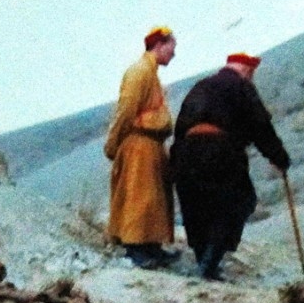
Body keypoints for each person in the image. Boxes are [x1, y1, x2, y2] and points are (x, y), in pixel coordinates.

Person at [171, 52, 291, 280]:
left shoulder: (200, 87)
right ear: (247, 71)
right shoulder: (241, 87)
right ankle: (210, 262)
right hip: (219, 152)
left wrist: (175, 166)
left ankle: (204, 261)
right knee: (240, 201)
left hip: (186, 154)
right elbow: (261, 127)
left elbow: (180, 128)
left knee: (197, 208)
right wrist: (279, 157)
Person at [104, 26, 181, 270]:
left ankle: (151, 246)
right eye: (172, 48)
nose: (174, 54)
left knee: (154, 197)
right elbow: (126, 110)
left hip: (152, 144)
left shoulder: (151, 73)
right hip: (139, 144)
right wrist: (113, 143)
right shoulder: (139, 71)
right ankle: (135, 248)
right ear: (159, 45)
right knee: (140, 196)